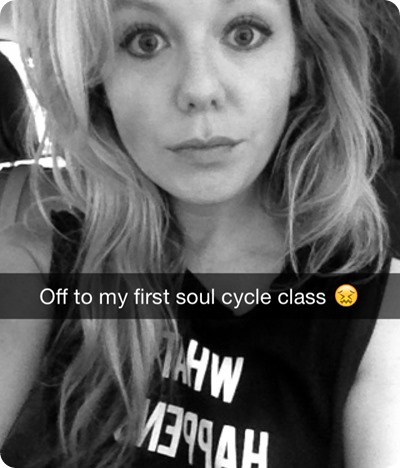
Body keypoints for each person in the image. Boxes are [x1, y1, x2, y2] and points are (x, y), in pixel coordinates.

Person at [1, 0, 400, 467]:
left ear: (300, 65)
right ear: (98, 83)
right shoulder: (35, 263)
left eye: (244, 34)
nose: (199, 88)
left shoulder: (380, 308)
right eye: (145, 42)